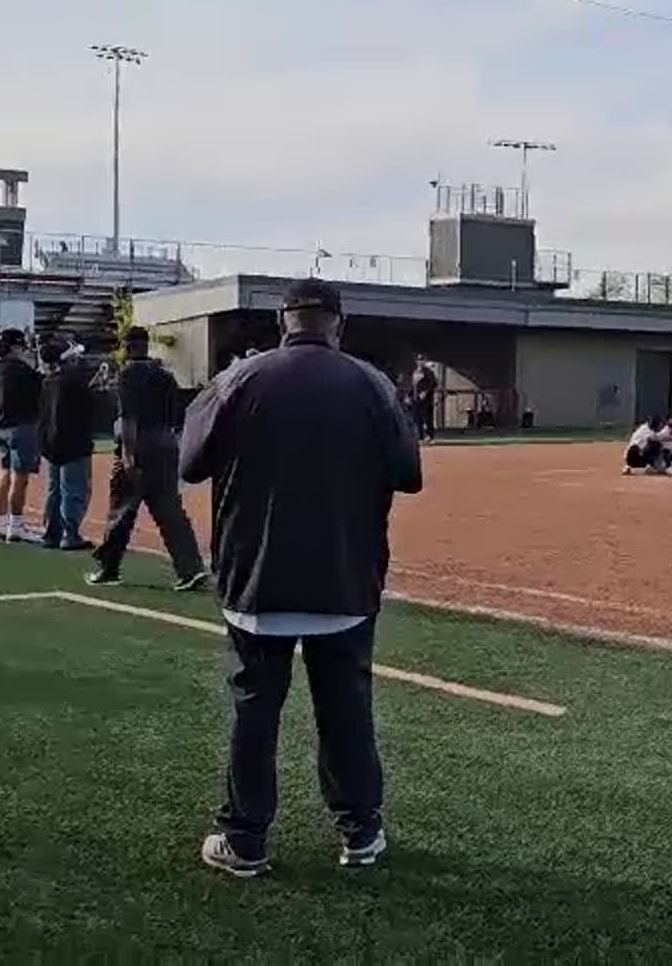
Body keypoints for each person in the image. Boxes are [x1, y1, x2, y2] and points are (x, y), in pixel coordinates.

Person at [181, 278, 422, 879]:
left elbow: (190, 464)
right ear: (338, 324)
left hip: (256, 577)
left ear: (282, 321)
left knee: (256, 708)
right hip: (345, 576)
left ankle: (245, 839)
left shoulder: (240, 378)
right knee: (346, 707)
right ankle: (361, 831)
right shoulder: (372, 384)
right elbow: (409, 474)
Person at [87, 327, 208, 589]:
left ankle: (109, 567)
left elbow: (130, 418)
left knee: (121, 510)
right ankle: (190, 568)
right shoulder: (165, 376)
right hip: (165, 447)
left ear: (126, 347)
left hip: (138, 447)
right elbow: (178, 416)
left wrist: (129, 456)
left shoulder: (127, 375)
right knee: (170, 510)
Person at [0, 328, 46, 542]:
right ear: (14, 347)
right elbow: (41, 388)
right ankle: (16, 525)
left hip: (0, 426)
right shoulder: (20, 369)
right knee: (20, 478)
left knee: (4, 473)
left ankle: (0, 524)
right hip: (21, 427)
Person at [38, 339, 98, 550]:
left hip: (51, 442)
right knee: (74, 489)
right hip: (74, 442)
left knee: (54, 490)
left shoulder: (47, 381)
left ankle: (51, 533)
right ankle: (70, 535)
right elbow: (90, 408)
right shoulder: (74, 380)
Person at [411, 359, 439, 442]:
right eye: (418, 360)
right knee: (417, 418)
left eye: (421, 360)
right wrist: (409, 396)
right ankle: (420, 437)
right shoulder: (414, 372)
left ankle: (431, 436)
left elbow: (433, 383)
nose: (420, 362)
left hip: (426, 400)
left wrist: (425, 392)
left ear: (424, 362)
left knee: (427, 418)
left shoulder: (429, 372)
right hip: (415, 399)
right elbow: (412, 385)